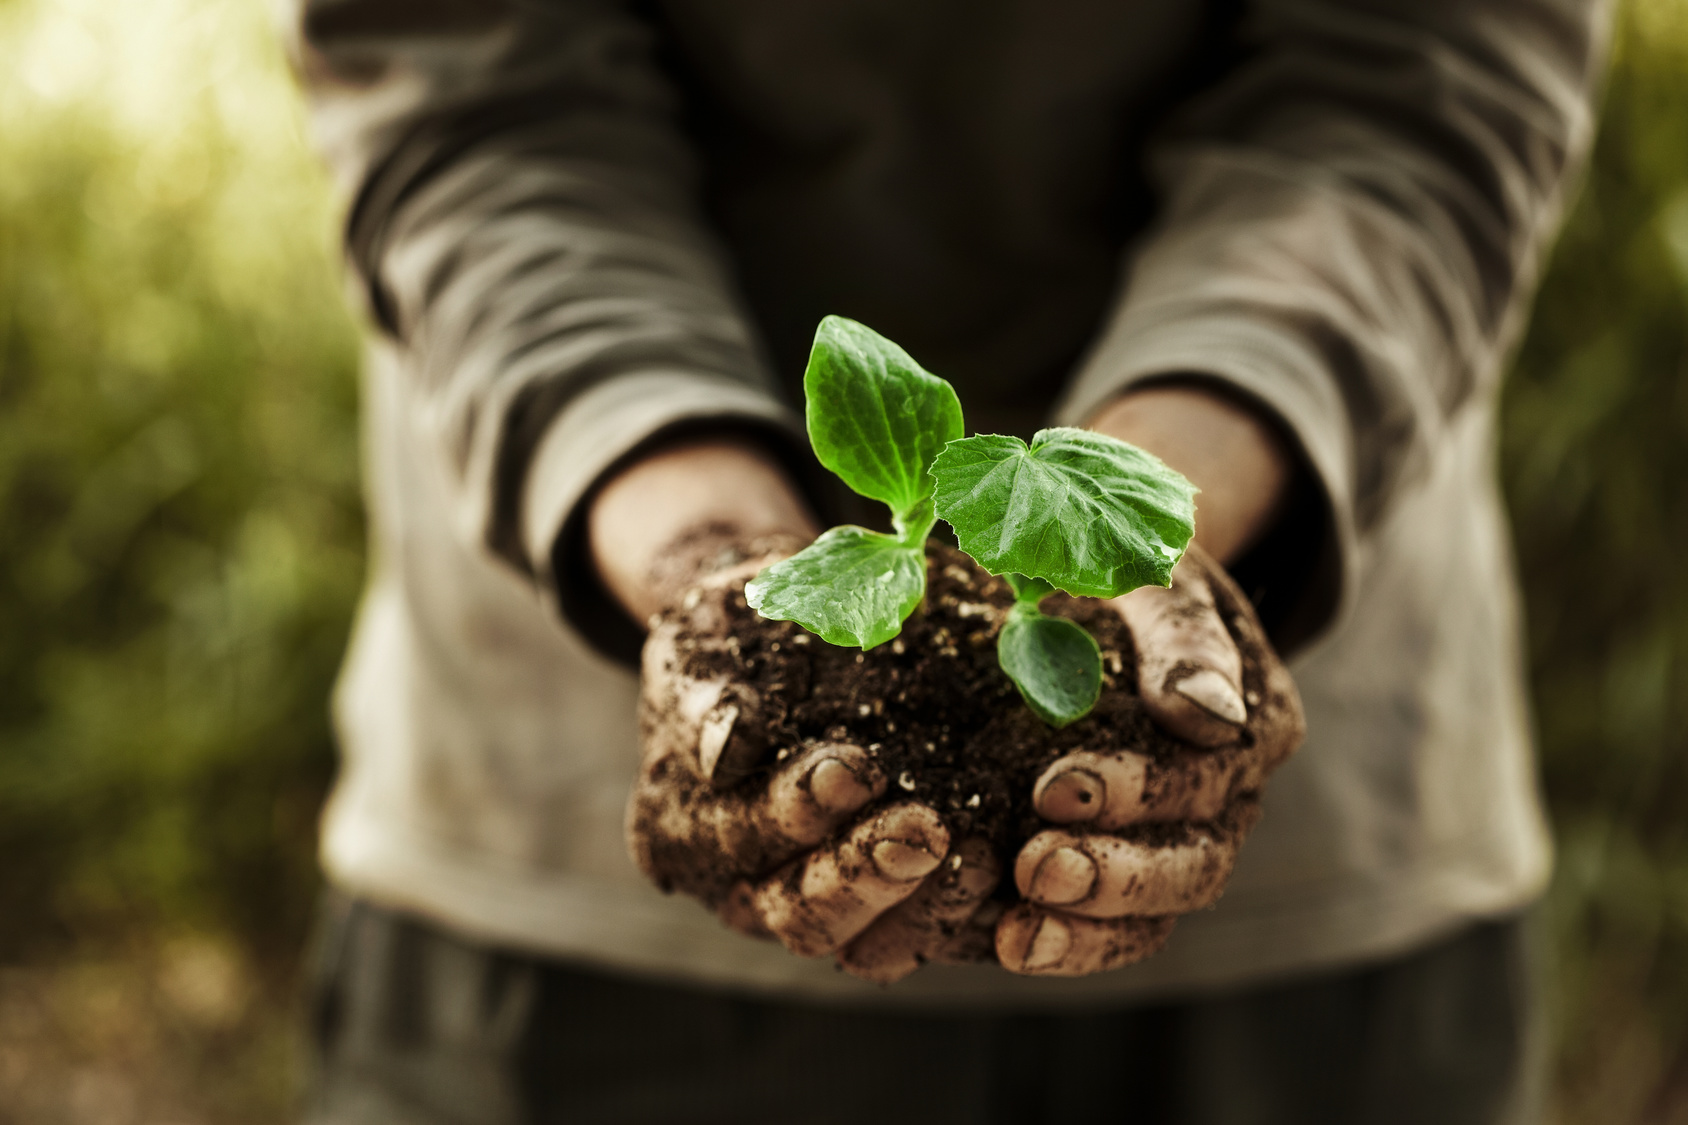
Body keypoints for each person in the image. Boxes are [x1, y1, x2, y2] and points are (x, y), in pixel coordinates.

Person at [285, 0, 1610, 1120]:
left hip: (1315, 931)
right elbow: (472, 93)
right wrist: (700, 550)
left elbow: (1412, 80)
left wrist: (1165, 509)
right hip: (564, 901)